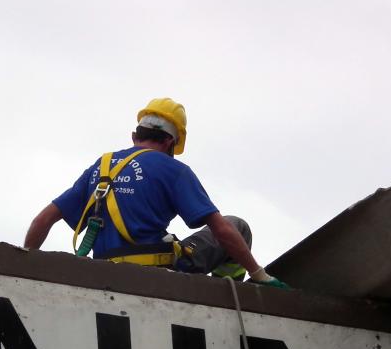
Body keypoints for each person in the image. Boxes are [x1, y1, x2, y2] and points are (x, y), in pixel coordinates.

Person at [24, 97, 288, 288]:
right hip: (158, 271)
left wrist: (22, 268)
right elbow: (221, 230)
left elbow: (42, 220)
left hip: (103, 271)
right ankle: (224, 291)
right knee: (237, 225)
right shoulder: (173, 170)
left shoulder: (100, 168)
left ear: (134, 135)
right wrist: (260, 275)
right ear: (171, 142)